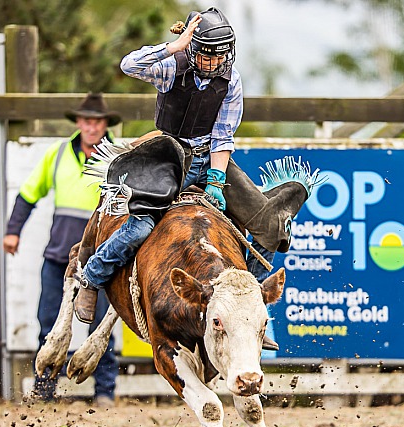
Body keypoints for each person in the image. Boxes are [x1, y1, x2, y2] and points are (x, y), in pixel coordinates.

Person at [76, 8, 313, 352]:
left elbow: (223, 135)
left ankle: (239, 305)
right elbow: (130, 65)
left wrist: (216, 181)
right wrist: (174, 46)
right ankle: (92, 277)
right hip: (167, 155)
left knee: (271, 228)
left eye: (220, 54)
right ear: (192, 47)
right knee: (141, 227)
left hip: (210, 157)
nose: (214, 61)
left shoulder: (231, 80)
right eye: (206, 52)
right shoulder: (173, 65)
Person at [3, 93, 120, 406]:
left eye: (97, 121)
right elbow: (29, 194)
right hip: (59, 257)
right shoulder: (56, 156)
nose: (92, 127)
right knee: (49, 321)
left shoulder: (117, 160)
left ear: (105, 124)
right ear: (79, 123)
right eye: (87, 120)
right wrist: (13, 231)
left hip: (102, 259)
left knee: (101, 328)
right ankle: (45, 387)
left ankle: (105, 391)